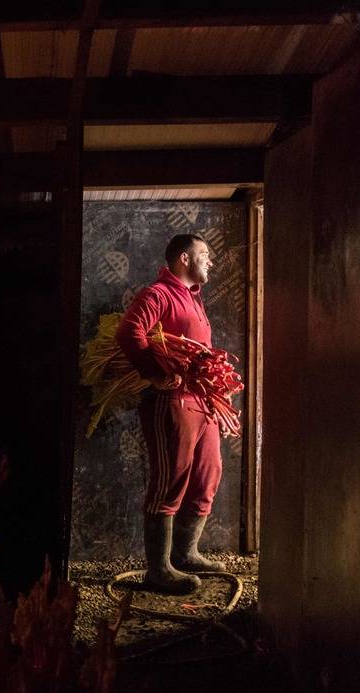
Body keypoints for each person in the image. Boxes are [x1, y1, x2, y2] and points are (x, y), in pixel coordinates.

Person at [115, 233, 230, 593]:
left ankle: (185, 552)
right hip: (173, 402)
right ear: (184, 258)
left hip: (201, 402)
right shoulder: (158, 295)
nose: (210, 261)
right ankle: (158, 569)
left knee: (208, 474)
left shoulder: (193, 300)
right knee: (171, 480)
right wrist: (155, 371)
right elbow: (129, 332)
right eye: (204, 255)